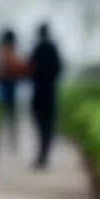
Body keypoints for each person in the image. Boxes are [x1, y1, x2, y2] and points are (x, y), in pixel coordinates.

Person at [29, 23, 63, 169]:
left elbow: (31, 69)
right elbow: (59, 68)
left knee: (41, 125)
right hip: (50, 92)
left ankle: (42, 155)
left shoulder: (38, 49)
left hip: (39, 92)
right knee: (48, 125)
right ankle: (44, 154)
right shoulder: (52, 48)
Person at [0, 29, 30, 150]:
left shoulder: (2, 51)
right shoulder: (10, 51)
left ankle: (9, 140)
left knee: (6, 114)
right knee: (11, 115)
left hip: (4, 86)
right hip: (10, 86)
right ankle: (12, 140)